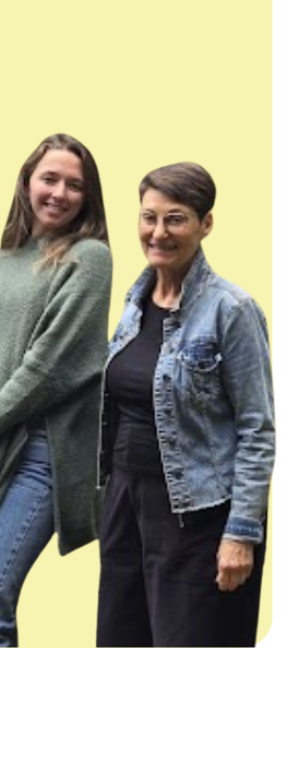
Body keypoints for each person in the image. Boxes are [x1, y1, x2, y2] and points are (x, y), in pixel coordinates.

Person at [0, 132, 112, 647]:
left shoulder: (88, 259)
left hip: (34, 453)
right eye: (48, 178)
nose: (58, 192)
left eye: (74, 185)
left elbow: (52, 365)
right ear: (26, 183)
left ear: (89, 196)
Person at [96, 163, 274, 647]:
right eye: (148, 217)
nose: (158, 232)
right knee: (121, 644)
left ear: (205, 224)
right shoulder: (134, 304)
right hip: (126, 510)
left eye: (175, 219)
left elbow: (258, 429)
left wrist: (241, 534)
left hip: (196, 516)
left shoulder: (231, 310)